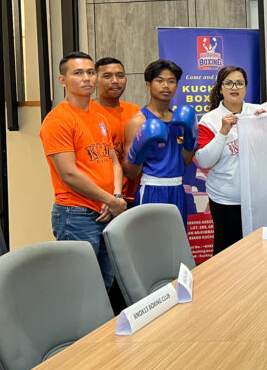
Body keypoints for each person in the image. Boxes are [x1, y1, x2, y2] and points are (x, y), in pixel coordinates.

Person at [39, 52, 127, 290]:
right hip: (77, 215)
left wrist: (116, 196)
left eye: (90, 72)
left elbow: (114, 162)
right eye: (78, 73)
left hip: (107, 210)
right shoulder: (58, 120)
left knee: (105, 284)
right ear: (62, 80)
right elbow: (69, 174)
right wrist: (111, 200)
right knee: (80, 287)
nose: (87, 78)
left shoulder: (99, 116)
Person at [196, 66, 264, 254]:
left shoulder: (259, 112)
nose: (235, 87)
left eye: (239, 83)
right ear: (220, 88)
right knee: (228, 254)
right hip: (225, 200)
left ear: (246, 88)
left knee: (258, 252)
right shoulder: (210, 119)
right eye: (229, 83)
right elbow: (204, 161)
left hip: (257, 198)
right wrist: (223, 131)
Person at [123, 60, 197, 226]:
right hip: (152, 189)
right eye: (160, 80)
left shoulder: (180, 120)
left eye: (171, 81)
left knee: (176, 240)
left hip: (177, 189)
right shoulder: (139, 121)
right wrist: (140, 148)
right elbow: (130, 173)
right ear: (148, 84)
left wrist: (190, 137)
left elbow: (185, 161)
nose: (166, 86)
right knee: (151, 239)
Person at [90, 57, 141, 206]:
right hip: (102, 199)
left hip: (133, 195)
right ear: (95, 80)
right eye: (107, 76)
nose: (115, 81)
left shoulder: (134, 111)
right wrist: (107, 198)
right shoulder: (87, 112)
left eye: (120, 76)